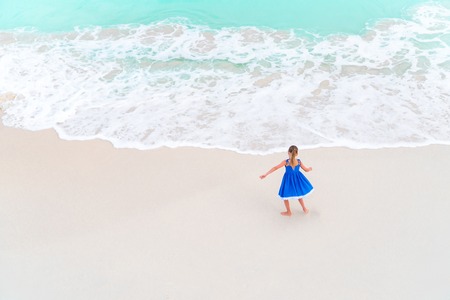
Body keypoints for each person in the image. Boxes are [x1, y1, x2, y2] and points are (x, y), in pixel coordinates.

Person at [260, 145, 314, 216]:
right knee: (299, 194)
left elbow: (275, 167)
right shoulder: (299, 162)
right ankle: (304, 208)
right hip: (297, 180)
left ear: (288, 152)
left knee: (285, 196)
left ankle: (289, 212)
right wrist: (309, 169)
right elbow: (306, 170)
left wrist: (266, 174)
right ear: (297, 153)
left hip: (288, 181)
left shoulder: (286, 162)